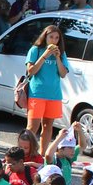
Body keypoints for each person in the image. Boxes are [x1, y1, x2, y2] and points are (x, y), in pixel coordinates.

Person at [21, 22, 70, 153]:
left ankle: (42, 155)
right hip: (37, 93)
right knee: (32, 127)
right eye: (51, 37)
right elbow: (31, 71)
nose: (54, 40)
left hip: (54, 95)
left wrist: (58, 58)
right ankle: (25, 153)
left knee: (48, 126)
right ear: (45, 37)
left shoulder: (61, 53)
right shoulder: (35, 50)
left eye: (56, 38)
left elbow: (63, 74)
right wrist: (45, 55)